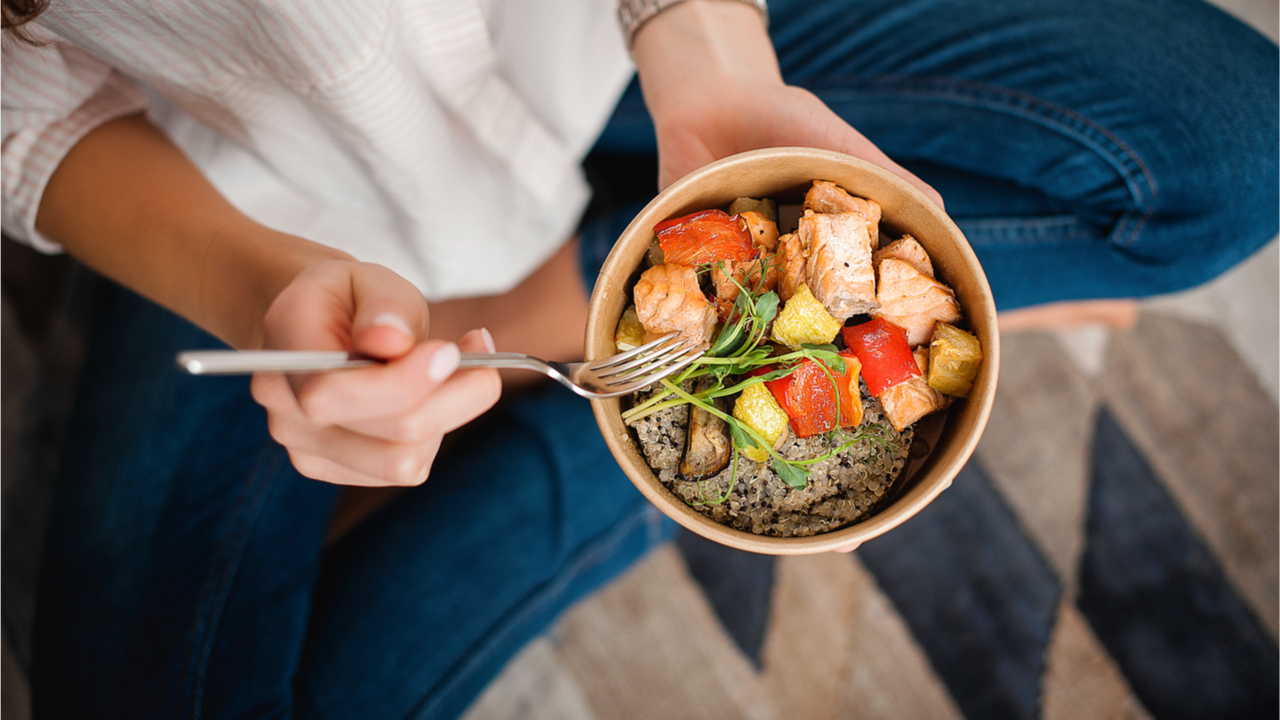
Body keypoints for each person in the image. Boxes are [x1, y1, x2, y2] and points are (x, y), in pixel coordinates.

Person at [3, 0, 1275, 717]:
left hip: (610, 42)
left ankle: (609, 370)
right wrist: (256, 285)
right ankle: (635, 399)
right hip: (255, 181)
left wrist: (706, 51)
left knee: (1234, 149)